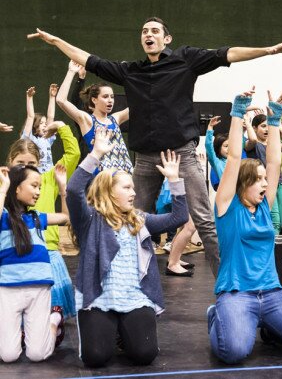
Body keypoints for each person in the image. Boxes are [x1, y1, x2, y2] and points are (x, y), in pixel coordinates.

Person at [28, 18, 282, 276]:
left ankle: (228, 284)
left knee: (204, 221)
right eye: (145, 31)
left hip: (181, 153)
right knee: (129, 221)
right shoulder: (131, 71)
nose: (148, 35)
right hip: (146, 159)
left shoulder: (185, 59)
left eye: (155, 31)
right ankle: (126, 281)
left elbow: (225, 54)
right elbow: (89, 59)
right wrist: (55, 41)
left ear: (166, 38)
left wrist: (267, 50)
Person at [207, 90, 282, 364]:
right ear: (243, 183)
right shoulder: (227, 206)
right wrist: (237, 114)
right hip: (237, 294)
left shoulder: (263, 206)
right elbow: (234, 159)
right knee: (234, 352)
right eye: (257, 180)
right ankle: (216, 316)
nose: (264, 183)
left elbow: (273, 162)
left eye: (264, 180)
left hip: (271, 292)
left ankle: (268, 325)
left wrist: (274, 120)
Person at [67, 128, 188, 368]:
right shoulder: (90, 219)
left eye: (133, 188)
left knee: (145, 355)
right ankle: (109, 329)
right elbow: (73, 190)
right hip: (100, 298)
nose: (134, 193)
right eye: (126, 188)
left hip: (134, 297)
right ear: (108, 191)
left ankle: (122, 331)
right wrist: (96, 155)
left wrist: (174, 181)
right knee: (96, 357)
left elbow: (179, 217)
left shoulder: (139, 219)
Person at [6, 122, 80, 321]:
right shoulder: (4, 185)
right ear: (10, 161)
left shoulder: (46, 180)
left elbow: (73, 155)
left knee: (44, 315)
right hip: (12, 256)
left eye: (32, 164)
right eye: (20, 163)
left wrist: (62, 127)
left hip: (46, 251)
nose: (26, 168)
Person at [0, 165, 67, 362]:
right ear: (17, 188)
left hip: (39, 287)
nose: (38, 192)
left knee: (37, 355)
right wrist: (3, 189)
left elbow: (66, 218)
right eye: (34, 186)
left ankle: (54, 320)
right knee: (8, 355)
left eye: (40, 187)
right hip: (8, 288)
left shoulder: (36, 218)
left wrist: (63, 188)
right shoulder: (3, 217)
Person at [55, 60, 132, 174]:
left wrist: (129, 79)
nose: (110, 100)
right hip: (103, 180)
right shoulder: (88, 120)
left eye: (112, 97)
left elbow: (139, 102)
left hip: (123, 178)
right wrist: (71, 72)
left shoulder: (115, 119)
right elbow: (61, 100)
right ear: (94, 100)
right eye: (105, 96)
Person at [21, 85, 58, 173]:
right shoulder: (29, 139)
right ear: (34, 126)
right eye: (41, 123)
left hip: (49, 178)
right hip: (34, 176)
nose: (45, 125)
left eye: (45, 123)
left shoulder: (47, 139)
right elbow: (30, 116)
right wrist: (29, 97)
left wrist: (52, 97)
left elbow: (51, 117)